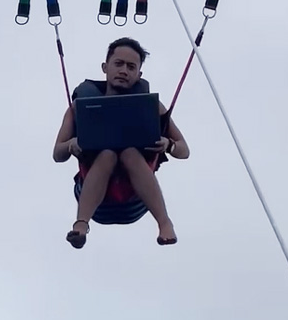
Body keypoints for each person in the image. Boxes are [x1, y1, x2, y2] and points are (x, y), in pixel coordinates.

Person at [53, 38, 190, 249]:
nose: (124, 71)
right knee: (107, 154)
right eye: (118, 64)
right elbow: (57, 154)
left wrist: (168, 144)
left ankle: (165, 223)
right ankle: (80, 225)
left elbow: (184, 150)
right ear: (105, 67)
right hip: (96, 202)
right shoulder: (78, 108)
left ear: (139, 74)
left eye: (131, 67)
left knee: (129, 153)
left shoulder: (154, 108)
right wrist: (71, 144)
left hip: (135, 201)